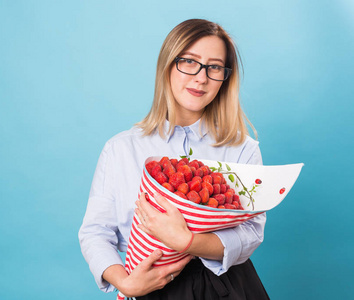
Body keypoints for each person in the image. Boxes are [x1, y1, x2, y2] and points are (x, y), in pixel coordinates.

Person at [79, 19, 269, 299]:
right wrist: (125, 283)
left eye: (214, 67)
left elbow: (252, 232)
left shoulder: (242, 149)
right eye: (189, 62)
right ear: (167, 65)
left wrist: (188, 241)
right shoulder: (120, 149)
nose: (201, 77)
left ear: (224, 77)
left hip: (227, 287)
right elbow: (95, 232)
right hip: (150, 288)